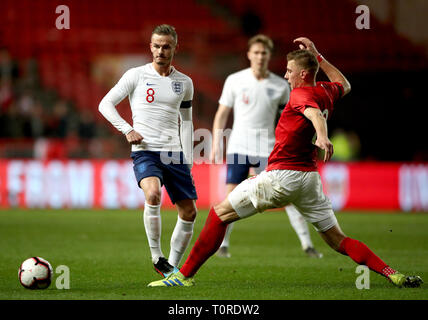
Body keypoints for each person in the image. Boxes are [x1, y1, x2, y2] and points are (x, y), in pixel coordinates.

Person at [148, 37, 423, 288]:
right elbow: (345, 85)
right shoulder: (326, 91)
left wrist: (323, 137)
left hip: (282, 176)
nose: (286, 75)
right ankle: (392, 273)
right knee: (338, 239)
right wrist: (319, 56)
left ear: (303, 74)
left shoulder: (300, 95)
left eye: (290, 70)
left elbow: (314, 115)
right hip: (309, 181)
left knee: (219, 212)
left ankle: (182, 277)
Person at [99, 24, 197, 279]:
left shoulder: (184, 83)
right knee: (153, 194)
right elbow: (105, 104)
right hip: (146, 150)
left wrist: (187, 157)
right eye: (156, 46)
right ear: (150, 47)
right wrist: (127, 129)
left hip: (174, 152)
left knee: (189, 212)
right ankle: (156, 256)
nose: (161, 51)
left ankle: (171, 269)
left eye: (166, 46)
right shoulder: (136, 75)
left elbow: (186, 122)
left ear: (175, 48)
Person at [211, 34, 322, 259]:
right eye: (257, 52)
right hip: (239, 147)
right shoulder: (234, 80)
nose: (260, 56)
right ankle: (223, 245)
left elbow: (291, 118)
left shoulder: (281, 85)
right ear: (249, 55)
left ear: (269, 56)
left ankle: (307, 244)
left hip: (268, 148)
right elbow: (222, 114)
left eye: (264, 53)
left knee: (287, 197)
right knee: (231, 197)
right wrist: (215, 144)